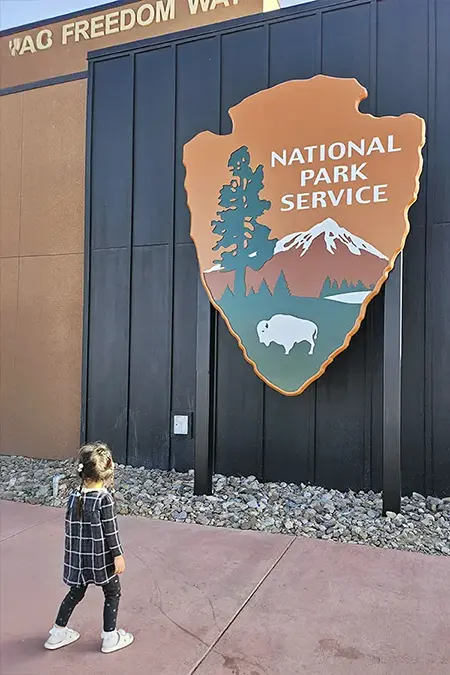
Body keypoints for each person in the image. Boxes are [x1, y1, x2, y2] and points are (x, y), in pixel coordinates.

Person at [44, 441, 134, 654]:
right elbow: (110, 532)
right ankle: (110, 637)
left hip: (79, 559)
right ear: (106, 474)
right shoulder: (104, 499)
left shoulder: (75, 496)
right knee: (113, 592)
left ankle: (57, 632)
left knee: (75, 593)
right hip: (100, 559)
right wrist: (118, 555)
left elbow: (71, 527)